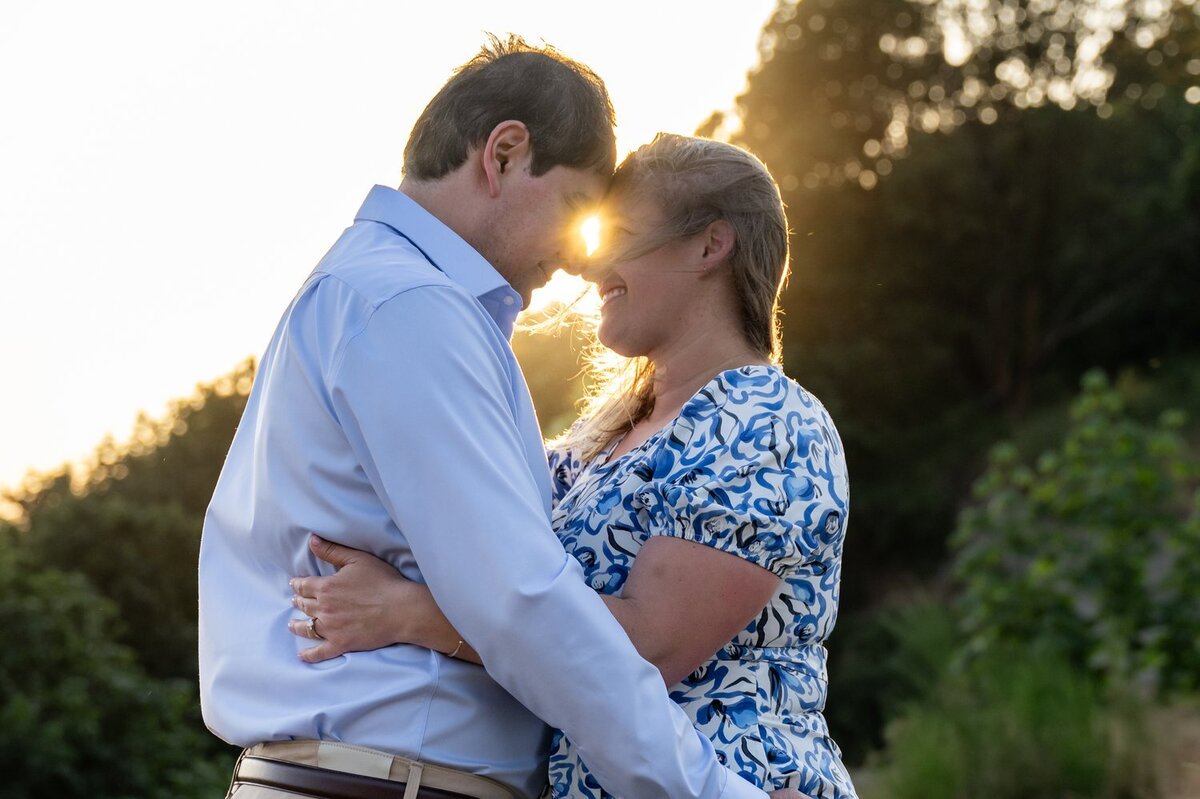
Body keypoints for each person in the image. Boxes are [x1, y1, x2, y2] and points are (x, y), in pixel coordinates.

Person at [199, 38, 779, 799]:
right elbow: (522, 604)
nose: (579, 258)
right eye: (575, 209)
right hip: (388, 782)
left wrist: (412, 612)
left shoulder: (380, 295)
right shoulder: (410, 308)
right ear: (504, 154)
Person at [287, 134, 860, 798]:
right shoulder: (593, 445)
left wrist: (410, 612)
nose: (590, 267)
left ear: (710, 244)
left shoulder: (767, 422)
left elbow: (646, 651)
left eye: (618, 234)